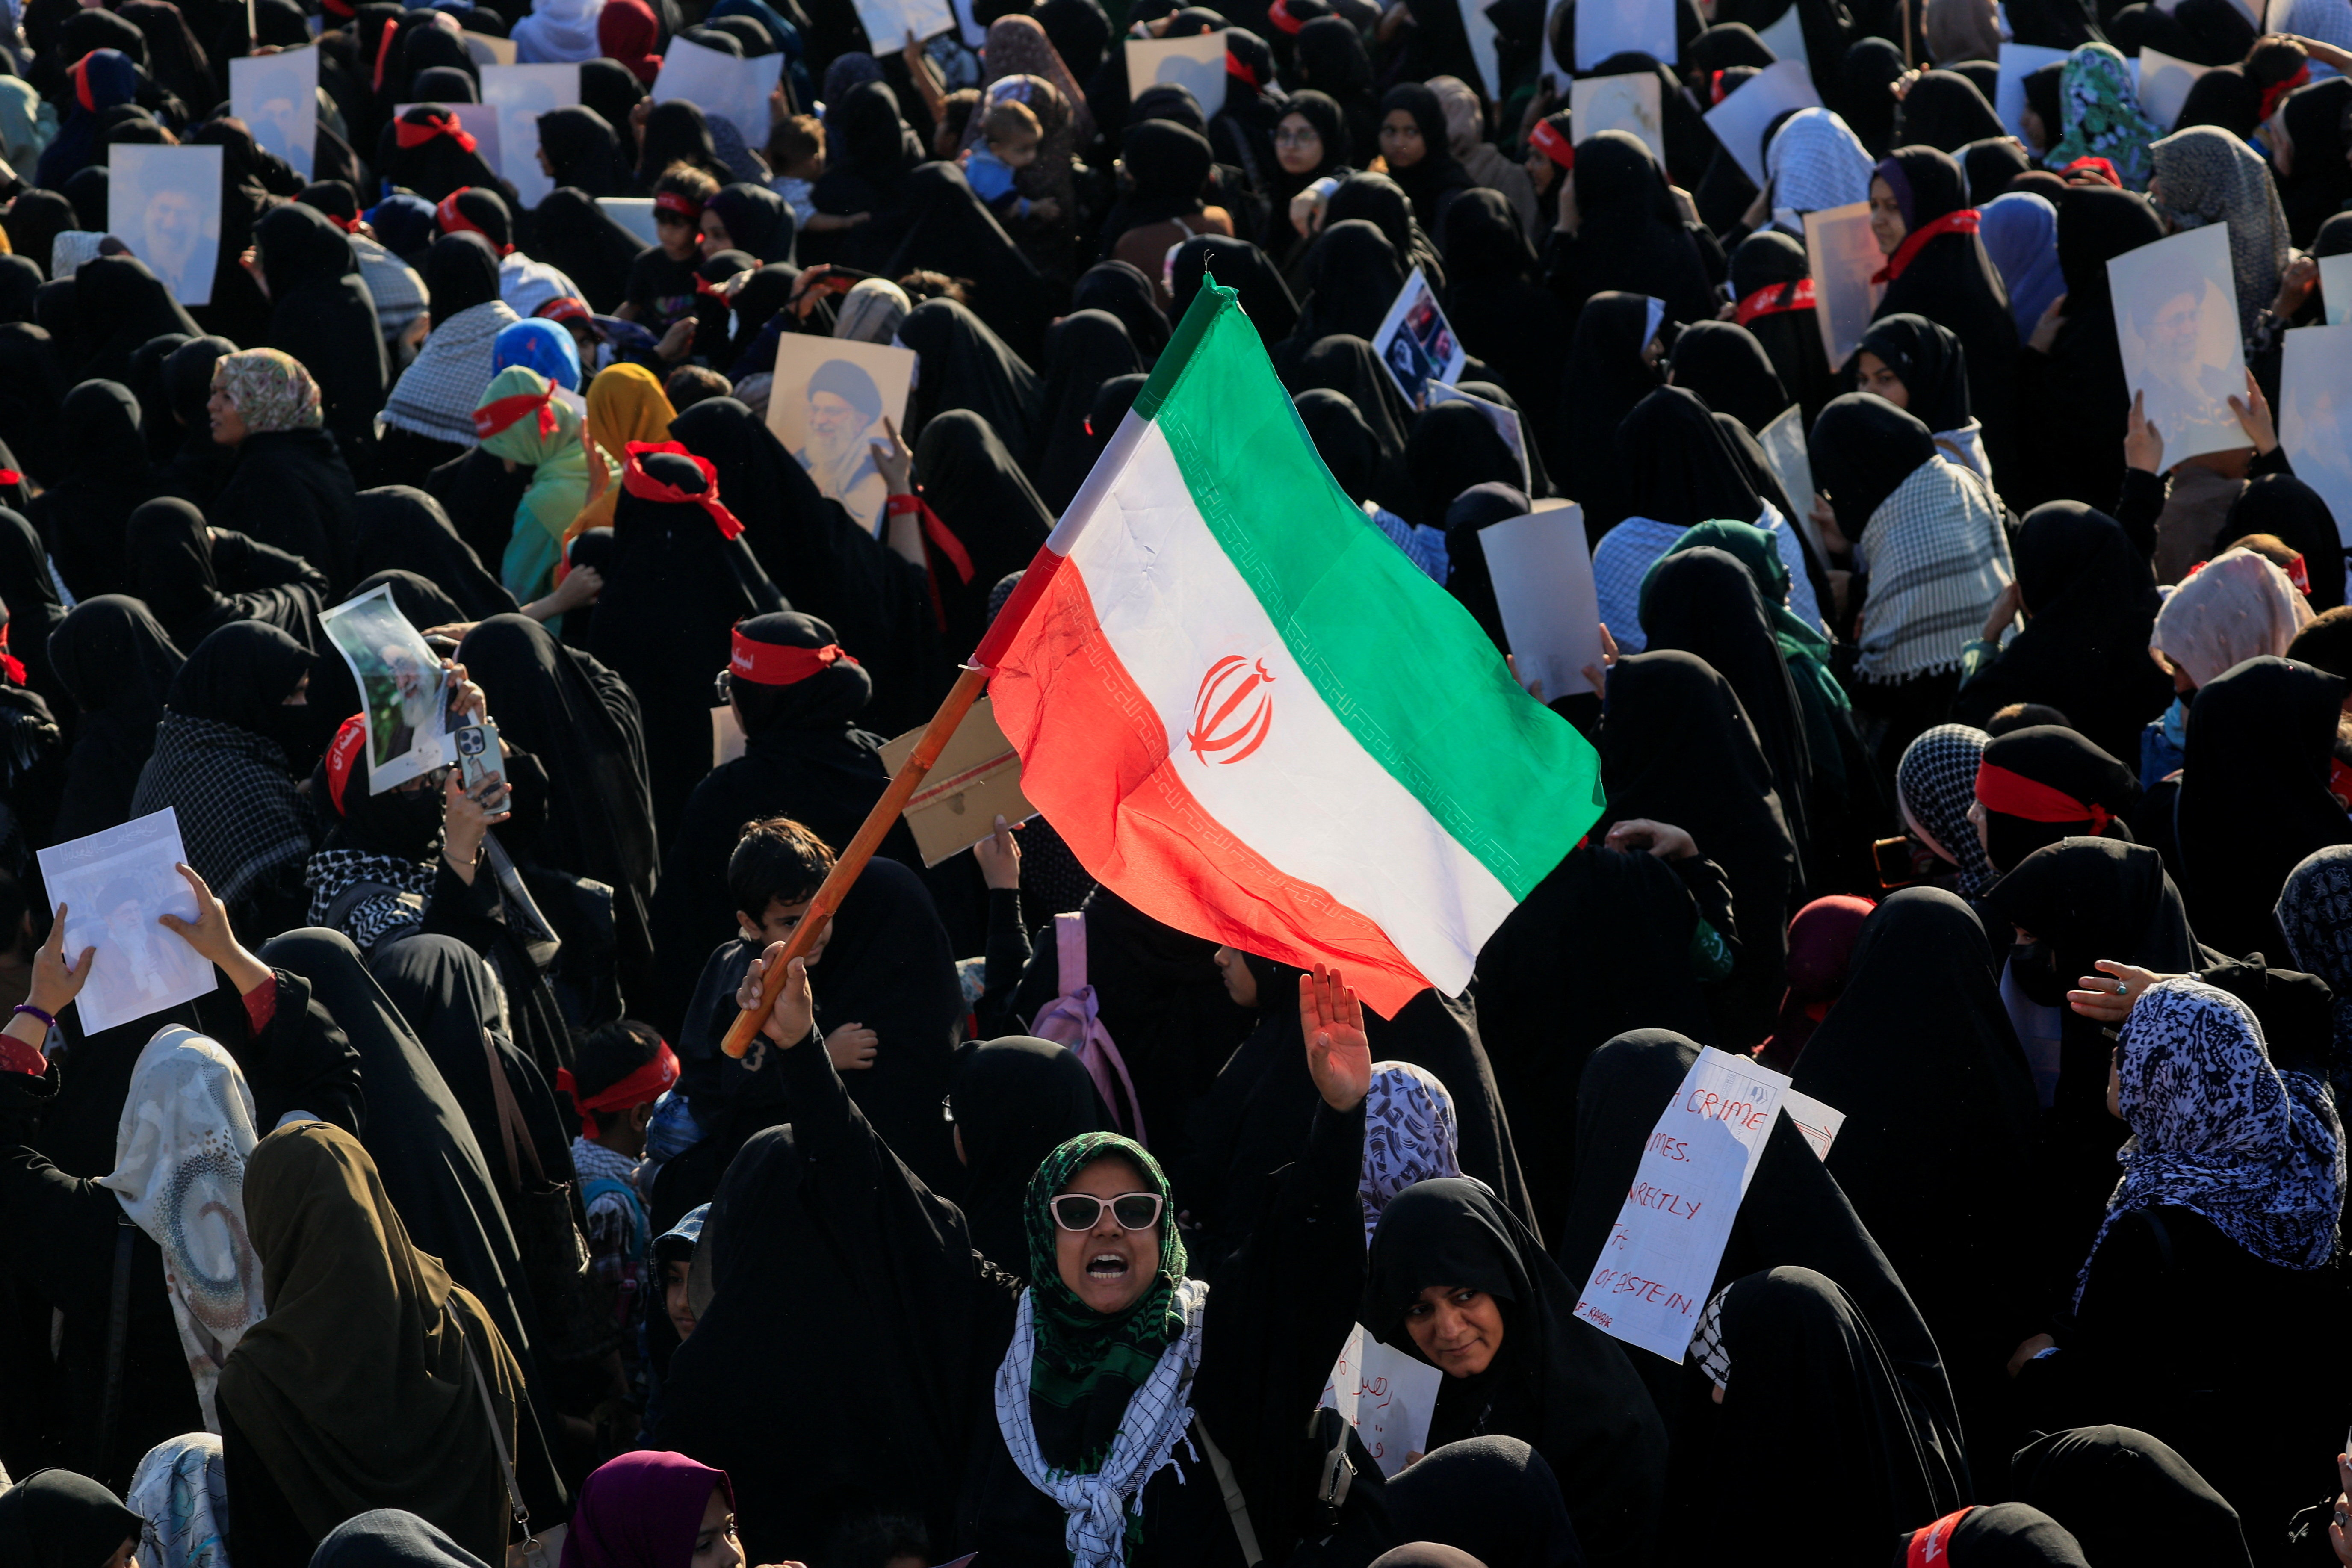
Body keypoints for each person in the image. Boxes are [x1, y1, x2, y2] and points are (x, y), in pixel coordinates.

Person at [214, 1120, 558, 1568]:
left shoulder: (256, 1382)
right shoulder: (462, 1319)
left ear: (268, 1221)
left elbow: (262, 1548)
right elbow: (538, 1485)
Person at [1365, 1178, 1667, 1568]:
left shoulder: (1601, 1419)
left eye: (1465, 1295)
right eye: (1419, 1310)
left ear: (1507, 1283)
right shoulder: (1402, 1405)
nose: (1449, 1330)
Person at [207, 348, 360, 597]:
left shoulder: (269, 474)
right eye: (214, 393)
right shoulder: (313, 452)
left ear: (265, 400)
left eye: (228, 396)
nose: (212, 405)